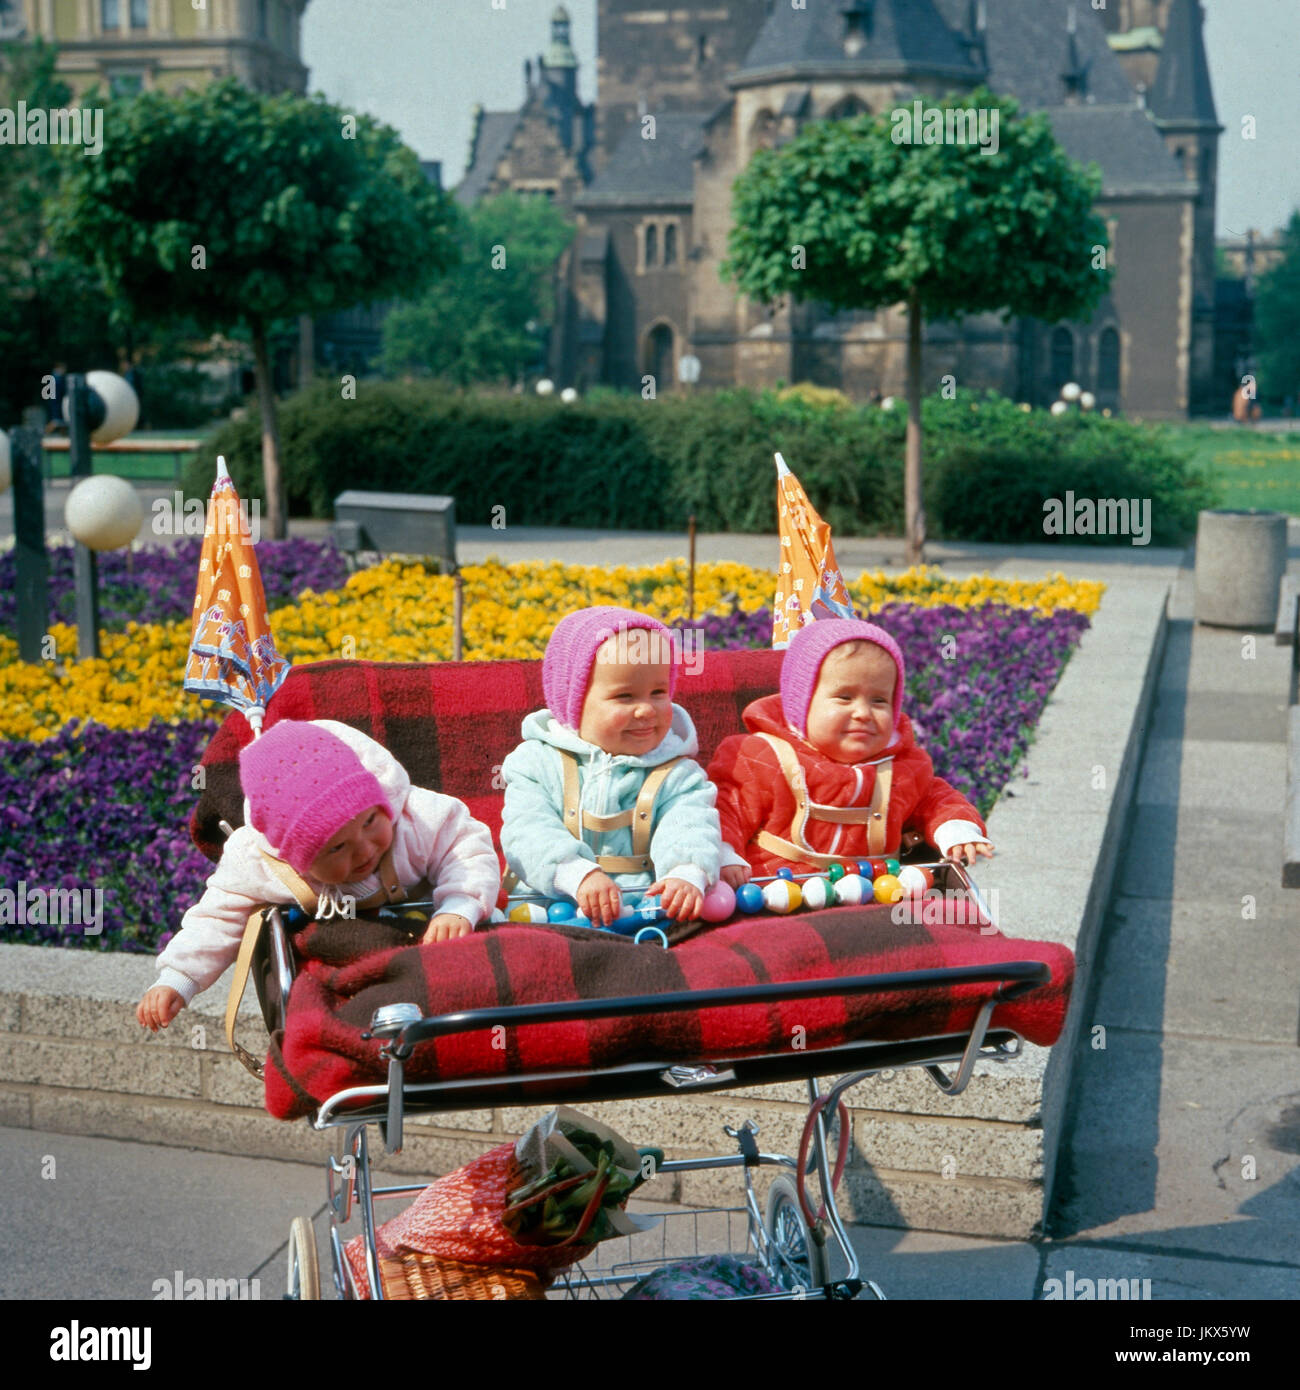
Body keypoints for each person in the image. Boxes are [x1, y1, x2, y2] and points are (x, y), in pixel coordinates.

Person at [136, 718, 500, 1031]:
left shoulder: (412, 818)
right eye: (337, 848)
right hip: (359, 965)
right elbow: (217, 916)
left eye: (371, 821)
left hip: (436, 939)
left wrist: (459, 904)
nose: (365, 848)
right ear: (298, 860)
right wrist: (177, 979)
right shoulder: (261, 863)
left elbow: (467, 846)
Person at [708, 618, 993, 884]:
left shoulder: (902, 767)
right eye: (845, 697)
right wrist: (724, 853)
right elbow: (727, 809)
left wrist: (956, 829)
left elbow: (937, 799)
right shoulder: (760, 757)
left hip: (878, 893)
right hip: (775, 891)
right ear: (801, 703)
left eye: (879, 700)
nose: (863, 713)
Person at [500, 606, 725, 926]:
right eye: (625, 696)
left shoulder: (678, 774)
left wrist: (686, 873)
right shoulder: (537, 763)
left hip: (644, 909)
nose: (646, 710)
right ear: (573, 702)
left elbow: (690, 824)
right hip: (549, 906)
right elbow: (527, 829)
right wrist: (576, 874)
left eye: (659, 692)